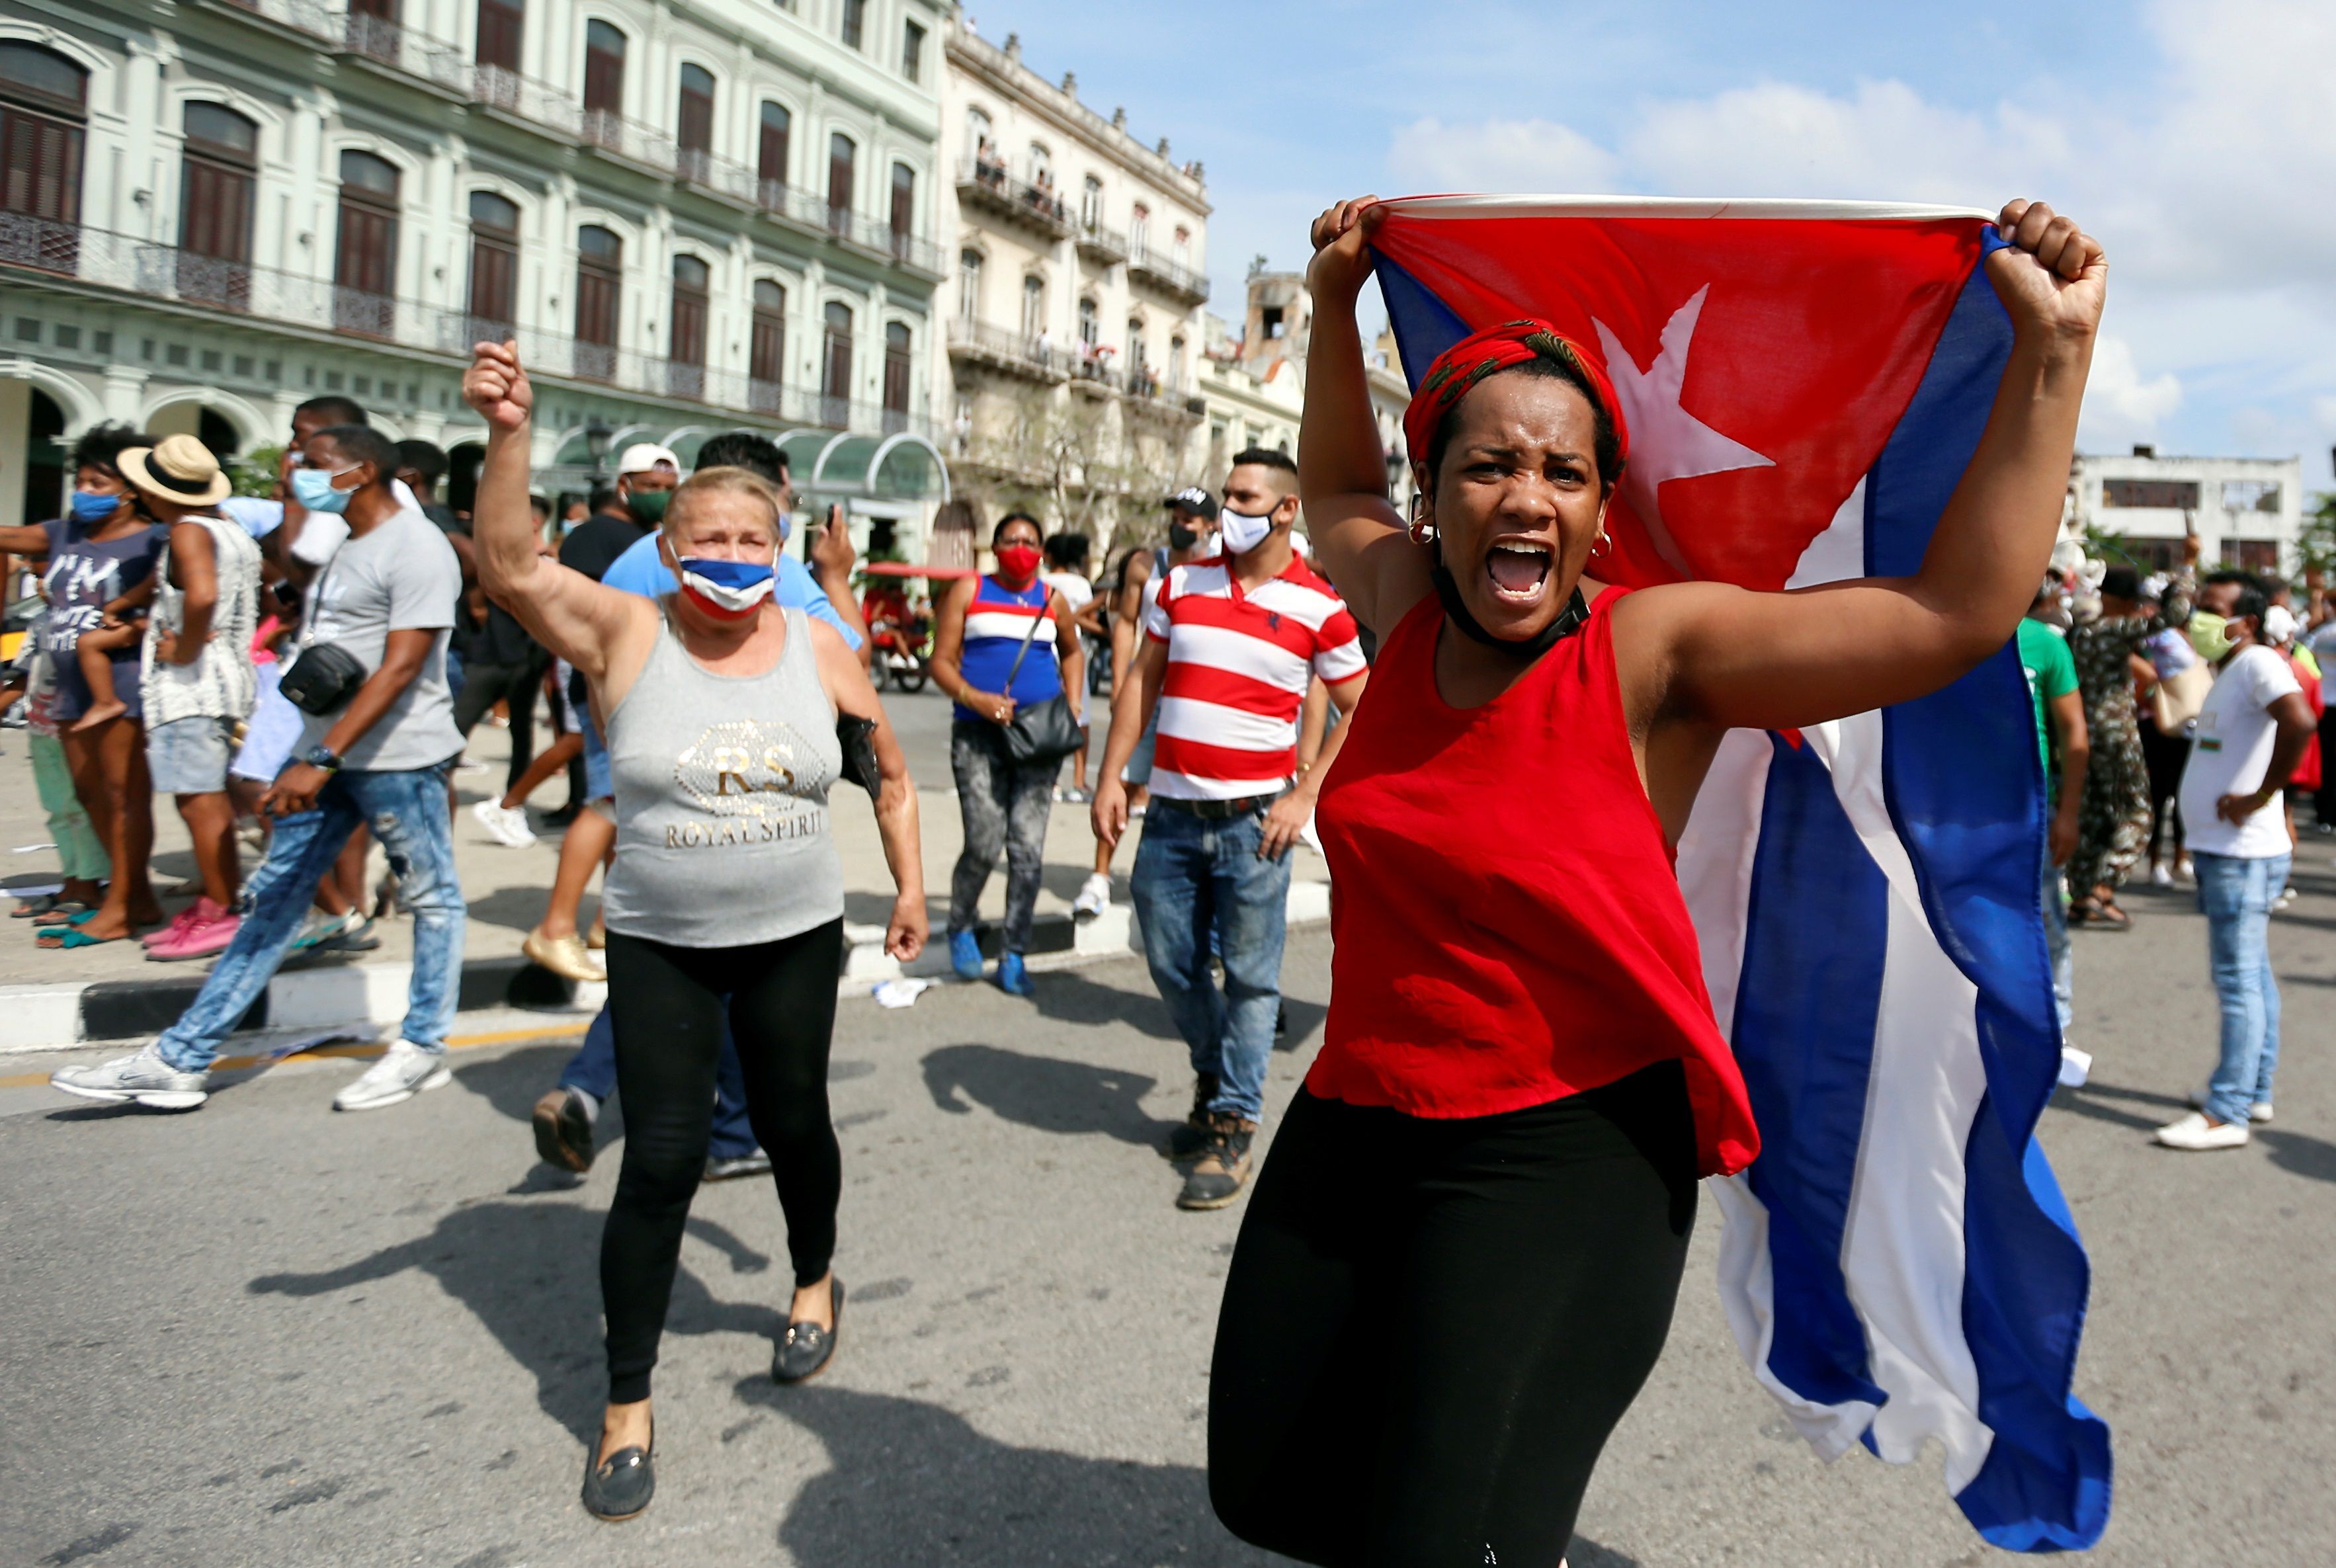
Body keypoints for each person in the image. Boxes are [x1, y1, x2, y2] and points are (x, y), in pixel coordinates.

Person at [1195, 196, 2107, 1565]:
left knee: (1441, 1534)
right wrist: (1332, 306)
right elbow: (1331, 493)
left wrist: (2051, 360)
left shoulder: (1652, 657)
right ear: (1432, 490)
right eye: (1488, 466)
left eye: (1562, 475)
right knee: (1265, 1483)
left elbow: (1952, 615)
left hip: (1560, 1156)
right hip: (1356, 1116)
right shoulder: (1394, 607)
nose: (1526, 496)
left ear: (1597, 507)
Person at [462, 339, 926, 1524]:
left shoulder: (819, 645)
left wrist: (909, 887)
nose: (729, 557)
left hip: (794, 938)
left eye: (750, 541)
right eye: (707, 538)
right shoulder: (627, 630)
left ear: (778, 554)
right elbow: (512, 564)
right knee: (661, 1159)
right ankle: (626, 1402)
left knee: (790, 1123)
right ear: (667, 548)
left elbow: (885, 772)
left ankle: (814, 1278)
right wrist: (510, 431)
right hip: (663, 941)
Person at [52, 422, 468, 1113]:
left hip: (397, 757)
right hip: (327, 757)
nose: (297, 473)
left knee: (433, 897)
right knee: (273, 900)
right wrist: (304, 755)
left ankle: (423, 1046)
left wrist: (320, 758)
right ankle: (181, 1059)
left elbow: (400, 667)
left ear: (361, 472)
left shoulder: (418, 545)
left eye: (311, 463)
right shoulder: (350, 541)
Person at [529, 431, 867, 1183]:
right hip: (729, 782)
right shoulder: (759, 560)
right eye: (783, 497)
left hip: (638, 774)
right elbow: (848, 655)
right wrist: (834, 575)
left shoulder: (635, 559)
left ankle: (589, 1084)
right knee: (736, 959)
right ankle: (730, 1132)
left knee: (674, 956)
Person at [1093, 453, 1368, 1209]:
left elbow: (1363, 703)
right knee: (1169, 962)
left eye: (1245, 497)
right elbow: (1142, 682)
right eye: (1227, 495)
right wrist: (1112, 775)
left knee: (1251, 979)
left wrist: (1304, 794)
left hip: (1256, 825)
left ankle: (1233, 1123)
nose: (1228, 508)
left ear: (1286, 511)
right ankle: (1218, 1074)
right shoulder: (1180, 582)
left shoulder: (1320, 606)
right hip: (1171, 817)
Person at [2154, 572, 2315, 1150]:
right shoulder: (2235, 668)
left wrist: (2258, 796)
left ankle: (2228, 1111)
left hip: (2240, 852)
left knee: (2238, 977)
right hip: (2230, 850)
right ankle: (2252, 1087)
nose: (2199, 617)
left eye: (2211, 608)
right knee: (2251, 972)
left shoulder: (2257, 665)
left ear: (2245, 622)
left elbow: (2301, 721)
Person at [0, 424, 168, 950]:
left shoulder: (157, 538)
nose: (86, 492)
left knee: (125, 797)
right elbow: (8, 536)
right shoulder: (64, 533)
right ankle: (133, 892)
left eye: (100, 482)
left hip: (121, 681)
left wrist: (137, 627)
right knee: (91, 794)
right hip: (70, 684)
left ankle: (120, 905)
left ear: (132, 489)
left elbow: (179, 602)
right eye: (84, 480)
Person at [522, 444, 680, 981]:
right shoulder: (595, 538)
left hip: (635, 684)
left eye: (670, 482)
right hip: (606, 686)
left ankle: (608, 923)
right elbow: (584, 621)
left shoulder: (640, 540)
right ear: (624, 484)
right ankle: (555, 926)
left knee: (626, 809)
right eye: (652, 481)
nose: (663, 491)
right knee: (608, 802)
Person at [931, 513, 1087, 995]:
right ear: (994, 545)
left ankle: (1014, 951)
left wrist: (1074, 701)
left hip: (1038, 738)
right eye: (1011, 539)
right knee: (983, 839)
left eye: (1030, 540)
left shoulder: (1051, 598)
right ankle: (961, 922)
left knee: (1026, 849)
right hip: (979, 735)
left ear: (1042, 550)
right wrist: (974, 698)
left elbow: (1073, 651)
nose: (1021, 547)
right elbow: (940, 661)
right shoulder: (969, 590)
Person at [124, 436, 265, 962]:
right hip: (228, 675)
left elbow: (202, 597)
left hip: (192, 685)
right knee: (211, 800)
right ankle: (217, 902)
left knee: (198, 801)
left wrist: (180, 649)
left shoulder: (187, 531)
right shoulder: (233, 531)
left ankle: (220, 910)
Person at [1071, 491, 1223, 921]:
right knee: (1117, 778)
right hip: (1150, 689)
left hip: (1196, 696)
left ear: (1210, 526)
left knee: (1181, 793)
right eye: (1175, 515)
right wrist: (1120, 682)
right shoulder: (1145, 565)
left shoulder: (1219, 568)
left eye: (1190, 519)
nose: (1180, 524)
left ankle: (1176, 885)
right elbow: (1125, 626)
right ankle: (1099, 877)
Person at [2067, 559, 2192, 929]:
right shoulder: (2115, 629)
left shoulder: (2080, 632)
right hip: (2116, 732)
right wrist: (2188, 566)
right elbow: (2176, 612)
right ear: (2122, 601)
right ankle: (2103, 887)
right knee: (2138, 812)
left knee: (2095, 815)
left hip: (2081, 731)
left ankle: (2081, 893)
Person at [2019, 582, 2089, 1065]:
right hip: (1958, 812)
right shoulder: (1955, 638)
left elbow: (2073, 732)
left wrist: (2068, 813)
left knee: (2046, 919)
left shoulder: (2045, 644)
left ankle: (2055, 1025)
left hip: (2030, 806)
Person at [1040, 531, 1103, 802]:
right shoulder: (1080, 585)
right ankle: (1079, 780)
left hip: (1045, 650)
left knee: (1048, 715)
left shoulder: (1042, 582)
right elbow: (1088, 619)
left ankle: (1050, 779)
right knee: (1081, 716)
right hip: (1075, 653)